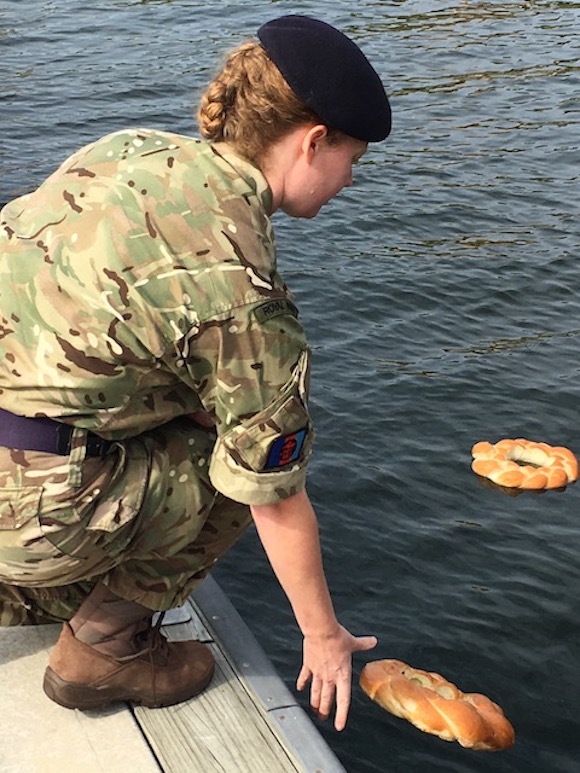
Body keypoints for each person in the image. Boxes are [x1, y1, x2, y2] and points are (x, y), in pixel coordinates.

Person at [0, 15, 391, 730]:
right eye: (352, 159)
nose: (350, 180)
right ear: (312, 142)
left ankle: (29, 577)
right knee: (236, 469)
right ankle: (105, 647)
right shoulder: (244, 289)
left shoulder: (126, 151)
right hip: (26, 511)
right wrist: (323, 634)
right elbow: (272, 494)